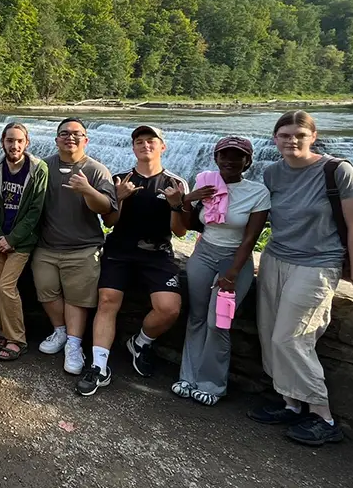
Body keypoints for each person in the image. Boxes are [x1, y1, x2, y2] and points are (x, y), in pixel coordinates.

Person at [248, 111, 353, 446]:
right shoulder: (272, 173)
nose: (292, 141)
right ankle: (290, 403)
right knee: (269, 333)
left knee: (291, 338)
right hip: (275, 258)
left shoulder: (338, 171)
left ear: (313, 137)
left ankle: (323, 416)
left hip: (317, 264)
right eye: (285, 135)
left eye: (299, 135)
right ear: (275, 139)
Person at [85, 125, 188, 396]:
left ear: (162, 146)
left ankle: (140, 342)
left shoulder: (175, 184)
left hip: (158, 253)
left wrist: (177, 204)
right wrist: (119, 200)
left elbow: (180, 231)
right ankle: (99, 366)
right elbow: (109, 223)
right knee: (107, 300)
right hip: (120, 249)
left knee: (169, 308)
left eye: (151, 141)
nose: (145, 146)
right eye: (139, 142)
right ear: (133, 148)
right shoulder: (120, 179)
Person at [169, 136, 270, 407]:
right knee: (197, 317)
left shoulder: (258, 192)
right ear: (216, 158)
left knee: (218, 323)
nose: (229, 161)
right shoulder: (206, 181)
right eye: (224, 155)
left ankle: (212, 383)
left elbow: (250, 239)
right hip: (203, 254)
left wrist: (233, 273)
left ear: (248, 161)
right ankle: (188, 377)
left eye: (237, 156)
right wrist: (188, 198)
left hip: (234, 260)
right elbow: (188, 224)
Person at [31, 118, 115, 375]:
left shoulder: (97, 170)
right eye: (65, 134)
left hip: (83, 248)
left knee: (77, 299)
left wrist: (88, 190)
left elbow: (109, 212)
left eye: (77, 134)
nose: (71, 138)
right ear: (57, 139)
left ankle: (74, 345)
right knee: (46, 291)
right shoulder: (43, 167)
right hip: (47, 246)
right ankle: (61, 332)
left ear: (86, 140)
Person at [0, 123, 48, 362]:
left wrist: (12, 239)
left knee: (6, 287)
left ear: (27, 143)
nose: (15, 145)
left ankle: (16, 340)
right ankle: (2, 329)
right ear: (3, 142)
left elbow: (35, 211)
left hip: (21, 241)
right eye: (10, 140)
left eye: (19, 141)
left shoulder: (39, 169)